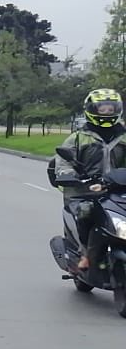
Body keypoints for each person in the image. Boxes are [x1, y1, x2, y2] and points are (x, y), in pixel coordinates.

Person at [50, 88, 126, 272]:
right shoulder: (77, 138)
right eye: (102, 109)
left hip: (119, 190)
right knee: (85, 213)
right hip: (86, 192)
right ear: (92, 110)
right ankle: (85, 255)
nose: (107, 113)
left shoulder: (124, 137)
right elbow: (63, 162)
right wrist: (68, 175)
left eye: (111, 109)